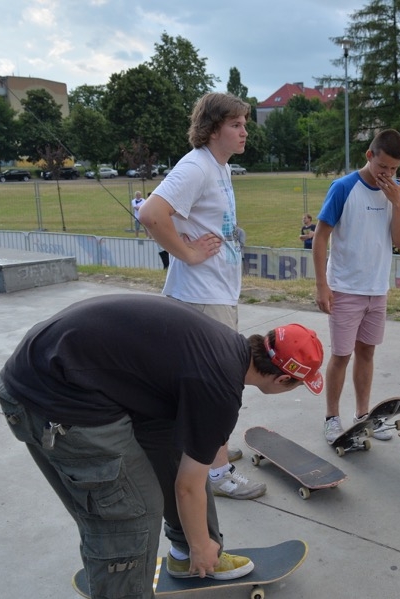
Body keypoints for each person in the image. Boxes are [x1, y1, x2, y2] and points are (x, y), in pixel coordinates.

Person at [0, 294, 324, 599]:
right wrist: (200, 543)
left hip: (67, 368)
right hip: (53, 395)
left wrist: (195, 543)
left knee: (175, 449)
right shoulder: (219, 389)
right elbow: (188, 488)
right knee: (130, 513)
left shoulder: (223, 346)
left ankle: (185, 556)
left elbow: (187, 470)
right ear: (283, 380)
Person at [139, 92, 263, 500]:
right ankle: (219, 473)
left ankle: (213, 452)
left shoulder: (219, 167)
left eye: (245, 123)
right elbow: (151, 214)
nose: (245, 131)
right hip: (201, 296)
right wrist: (189, 252)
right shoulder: (196, 166)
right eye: (236, 125)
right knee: (217, 386)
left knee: (214, 382)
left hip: (217, 291)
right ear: (212, 129)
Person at [312, 129, 400, 444]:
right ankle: (331, 418)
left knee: (367, 353)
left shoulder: (395, 191)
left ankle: (363, 416)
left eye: (394, 169)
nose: (388, 174)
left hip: (377, 288)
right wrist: (321, 285)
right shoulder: (343, 187)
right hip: (344, 288)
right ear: (369, 155)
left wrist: (397, 202)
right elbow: (320, 236)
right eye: (383, 167)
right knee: (341, 355)